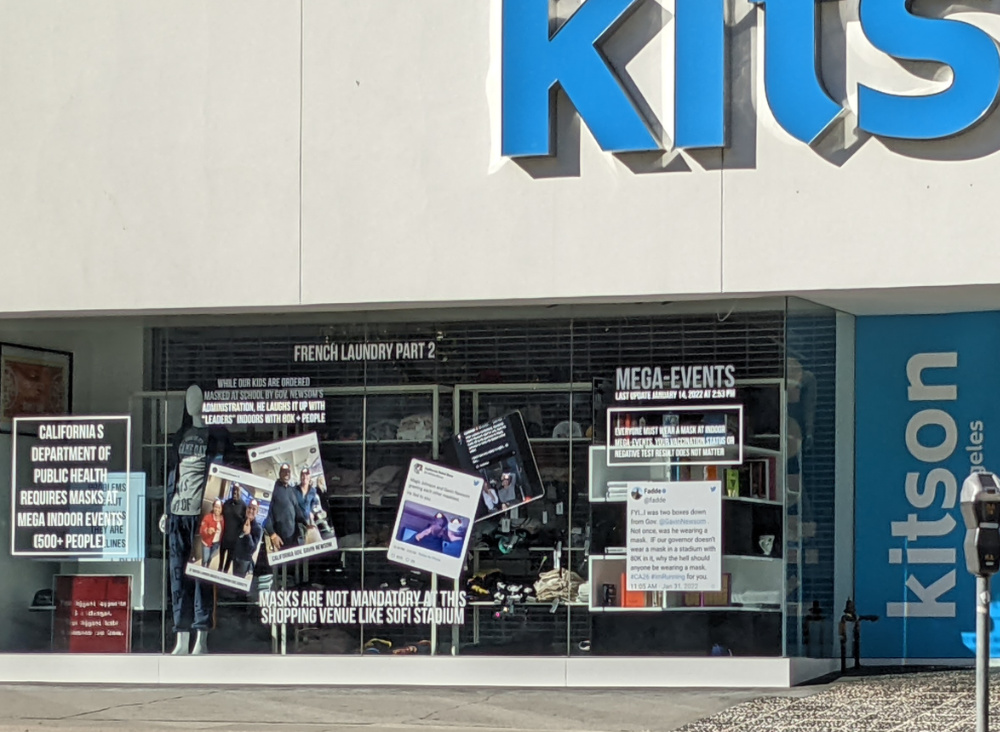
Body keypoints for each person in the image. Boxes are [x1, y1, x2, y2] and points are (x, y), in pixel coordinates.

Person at [264, 463, 309, 550]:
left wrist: (306, 524)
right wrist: (273, 535)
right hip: (280, 539)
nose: (287, 474)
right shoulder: (272, 490)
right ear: (279, 473)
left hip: (294, 536)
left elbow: (297, 509)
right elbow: (266, 514)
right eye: (284, 472)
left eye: (288, 472)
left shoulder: (291, 490)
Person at [219, 483, 247, 573]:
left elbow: (246, 523)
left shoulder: (243, 506)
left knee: (228, 561)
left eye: (237, 491)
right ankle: (219, 571)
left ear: (240, 493)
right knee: (221, 560)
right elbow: (220, 515)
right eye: (234, 490)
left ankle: (224, 572)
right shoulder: (227, 503)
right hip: (224, 537)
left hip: (234, 539)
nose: (235, 493)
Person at [231, 499, 263, 578]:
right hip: (236, 556)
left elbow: (252, 549)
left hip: (244, 560)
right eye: (249, 508)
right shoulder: (241, 522)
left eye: (254, 509)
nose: (251, 510)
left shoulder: (257, 528)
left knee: (239, 581)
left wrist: (248, 534)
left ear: (257, 512)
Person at [199, 499, 224, 567]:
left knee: (210, 558)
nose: (217, 509)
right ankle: (202, 570)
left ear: (221, 509)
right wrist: (207, 530)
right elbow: (201, 529)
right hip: (206, 542)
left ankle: (207, 568)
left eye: (219, 507)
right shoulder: (208, 517)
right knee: (205, 559)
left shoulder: (223, 519)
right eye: (216, 507)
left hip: (216, 544)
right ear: (213, 507)